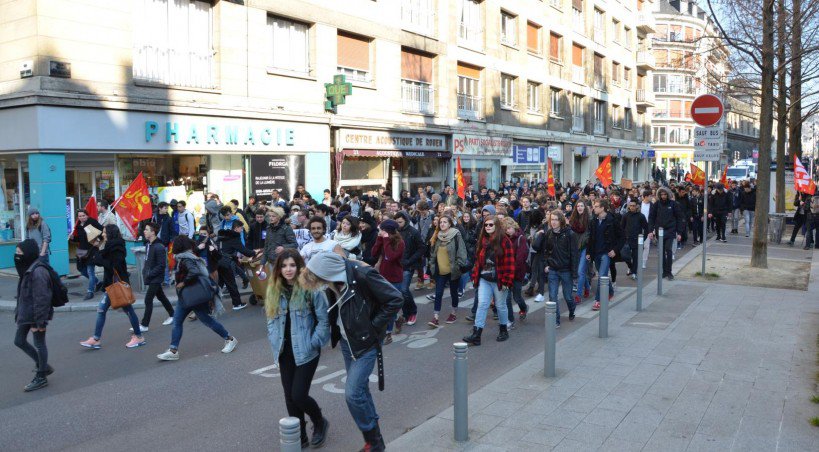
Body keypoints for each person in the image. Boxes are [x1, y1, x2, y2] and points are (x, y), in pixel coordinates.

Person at [301, 251, 403, 452]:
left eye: (320, 279)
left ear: (328, 272)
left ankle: (374, 442)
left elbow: (395, 299)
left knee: (353, 394)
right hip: (348, 342)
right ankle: (374, 442)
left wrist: (372, 328)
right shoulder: (335, 280)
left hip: (366, 343)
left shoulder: (363, 275)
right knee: (361, 391)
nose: (320, 283)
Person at [265, 249, 330, 448]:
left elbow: (323, 320)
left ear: (299, 266)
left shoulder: (312, 289)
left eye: (292, 265)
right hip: (284, 351)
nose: (288, 269)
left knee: (299, 394)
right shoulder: (274, 289)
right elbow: (270, 318)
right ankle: (299, 434)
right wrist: (274, 340)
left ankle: (319, 422)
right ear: (278, 269)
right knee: (289, 397)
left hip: (306, 350)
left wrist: (315, 342)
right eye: (284, 266)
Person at [157, 236, 238, 361]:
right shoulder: (184, 258)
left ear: (179, 246)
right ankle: (173, 350)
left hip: (192, 297)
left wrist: (183, 283)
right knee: (178, 322)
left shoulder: (185, 259)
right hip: (186, 297)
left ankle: (230, 339)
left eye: (174, 244)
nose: (172, 247)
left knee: (206, 321)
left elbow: (193, 272)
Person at [80, 224, 146, 349]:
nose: (103, 234)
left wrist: (99, 257)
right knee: (102, 310)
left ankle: (138, 337)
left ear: (110, 233)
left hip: (117, 285)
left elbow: (113, 265)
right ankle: (96, 339)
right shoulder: (111, 246)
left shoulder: (117, 247)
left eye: (105, 232)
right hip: (112, 285)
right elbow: (100, 258)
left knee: (127, 310)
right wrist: (96, 250)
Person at [463, 215, 515, 346]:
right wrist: (476, 275)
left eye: (491, 225)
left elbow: (510, 263)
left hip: (499, 279)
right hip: (484, 279)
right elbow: (478, 261)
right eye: (486, 225)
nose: (488, 227)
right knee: (482, 304)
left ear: (497, 226)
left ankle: (503, 330)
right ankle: (477, 334)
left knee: (501, 306)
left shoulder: (505, 241)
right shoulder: (483, 240)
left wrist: (506, 282)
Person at [13, 239, 54, 392]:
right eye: (16, 253)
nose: (16, 256)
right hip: (26, 313)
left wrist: (40, 321)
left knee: (39, 343)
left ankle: (41, 376)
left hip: (36, 316)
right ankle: (43, 365)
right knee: (19, 341)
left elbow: (42, 298)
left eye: (19, 253)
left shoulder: (38, 271)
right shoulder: (27, 268)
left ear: (28, 254)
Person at [426, 215, 467, 327]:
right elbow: (432, 253)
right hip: (440, 271)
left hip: (453, 270)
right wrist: (431, 265)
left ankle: (453, 313)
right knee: (438, 293)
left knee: (454, 293)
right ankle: (435, 317)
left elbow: (462, 251)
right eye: (441, 222)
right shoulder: (437, 235)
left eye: (445, 222)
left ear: (450, 224)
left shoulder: (455, 234)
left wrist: (459, 265)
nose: (442, 224)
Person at [370, 219, 405, 343]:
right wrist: (380, 239)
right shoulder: (383, 239)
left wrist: (385, 240)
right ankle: (397, 319)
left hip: (395, 277)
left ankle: (388, 333)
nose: (379, 231)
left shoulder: (400, 242)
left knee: (390, 306)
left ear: (387, 231)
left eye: (381, 229)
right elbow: (373, 253)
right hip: (383, 276)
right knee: (385, 306)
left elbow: (390, 257)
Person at [543, 210, 579, 326]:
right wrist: (547, 264)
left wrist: (574, 273)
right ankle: (556, 321)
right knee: (552, 296)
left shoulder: (570, 234)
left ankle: (572, 308)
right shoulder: (549, 233)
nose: (553, 222)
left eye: (556, 220)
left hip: (566, 270)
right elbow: (546, 251)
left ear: (561, 221)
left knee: (568, 296)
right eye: (551, 219)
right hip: (553, 269)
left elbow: (574, 254)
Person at [586, 199, 622, 311]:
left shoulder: (612, 220)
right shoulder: (593, 221)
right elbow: (590, 239)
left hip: (606, 253)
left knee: (601, 276)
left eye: (596, 206)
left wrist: (615, 250)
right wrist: (588, 252)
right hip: (596, 253)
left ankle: (598, 300)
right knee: (603, 276)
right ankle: (610, 291)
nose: (594, 208)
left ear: (602, 208)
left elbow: (622, 237)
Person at [138, 222, 175, 331]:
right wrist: (145, 272)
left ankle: (144, 325)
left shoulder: (159, 246)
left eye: (147, 229)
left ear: (153, 232)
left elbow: (161, 265)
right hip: (151, 276)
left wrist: (149, 273)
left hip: (156, 277)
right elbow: (148, 261)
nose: (144, 231)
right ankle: (173, 315)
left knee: (148, 299)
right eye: (144, 229)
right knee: (161, 296)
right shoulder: (149, 244)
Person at [217, 220, 260, 310]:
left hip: (218, 261)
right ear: (236, 228)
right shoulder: (234, 237)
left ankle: (210, 304)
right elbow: (244, 250)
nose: (242, 230)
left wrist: (236, 259)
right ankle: (237, 304)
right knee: (231, 284)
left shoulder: (223, 236)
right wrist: (254, 253)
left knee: (219, 284)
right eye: (241, 228)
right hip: (226, 263)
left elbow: (225, 250)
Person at [648, 187, 684, 280]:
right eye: (661, 195)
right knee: (662, 252)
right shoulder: (656, 204)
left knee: (668, 249)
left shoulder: (673, 204)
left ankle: (669, 272)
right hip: (659, 231)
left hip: (670, 230)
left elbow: (680, 218)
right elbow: (651, 217)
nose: (663, 196)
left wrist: (679, 232)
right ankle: (664, 271)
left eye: (665, 194)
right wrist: (650, 231)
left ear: (668, 195)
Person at [396, 211, 424, 326]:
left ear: (406, 220)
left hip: (408, 265)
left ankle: (412, 312)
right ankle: (406, 313)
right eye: (396, 222)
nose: (398, 224)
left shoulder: (413, 232)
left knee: (404, 290)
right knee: (399, 292)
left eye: (400, 222)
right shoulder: (395, 232)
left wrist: (410, 260)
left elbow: (421, 248)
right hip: (396, 265)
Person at [502, 217, 529, 328]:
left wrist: (512, 270)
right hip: (507, 273)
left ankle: (523, 308)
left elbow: (520, 258)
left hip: (517, 273)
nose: (508, 231)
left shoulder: (521, 238)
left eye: (509, 228)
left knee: (517, 297)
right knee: (507, 298)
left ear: (514, 226)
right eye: (506, 229)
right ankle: (510, 320)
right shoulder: (504, 239)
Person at [72, 210, 103, 300]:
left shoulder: (92, 222)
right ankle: (98, 282)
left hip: (91, 250)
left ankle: (90, 291)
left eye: (83, 215)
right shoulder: (78, 225)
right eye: (80, 216)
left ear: (87, 215)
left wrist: (98, 240)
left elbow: (102, 230)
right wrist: (73, 238)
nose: (81, 218)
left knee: (90, 271)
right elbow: (80, 239)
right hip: (81, 250)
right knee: (81, 270)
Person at [568, 201, 591, 304]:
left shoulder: (589, 219)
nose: (580, 207)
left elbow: (590, 235)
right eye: (578, 206)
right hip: (575, 247)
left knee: (580, 272)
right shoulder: (573, 219)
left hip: (585, 247)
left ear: (585, 207)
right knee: (581, 271)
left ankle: (578, 295)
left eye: (582, 205)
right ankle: (587, 288)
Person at [622, 199, 649, 278]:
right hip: (627, 239)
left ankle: (634, 272)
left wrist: (643, 239)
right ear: (628, 206)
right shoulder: (625, 216)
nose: (632, 207)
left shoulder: (641, 216)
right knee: (624, 256)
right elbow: (621, 228)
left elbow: (646, 228)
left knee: (635, 257)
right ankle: (630, 267)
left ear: (637, 206)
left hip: (637, 240)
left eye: (634, 206)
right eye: (630, 206)